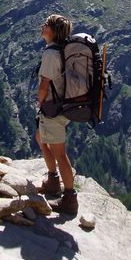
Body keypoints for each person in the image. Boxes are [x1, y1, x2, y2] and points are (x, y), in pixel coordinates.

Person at [35, 13, 78, 216]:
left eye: (46, 25)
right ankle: (53, 180)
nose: (42, 27)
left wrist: (40, 102)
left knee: (60, 153)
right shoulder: (63, 50)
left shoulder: (51, 54)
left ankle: (69, 198)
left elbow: (45, 84)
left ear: (52, 30)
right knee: (40, 138)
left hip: (53, 107)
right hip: (63, 105)